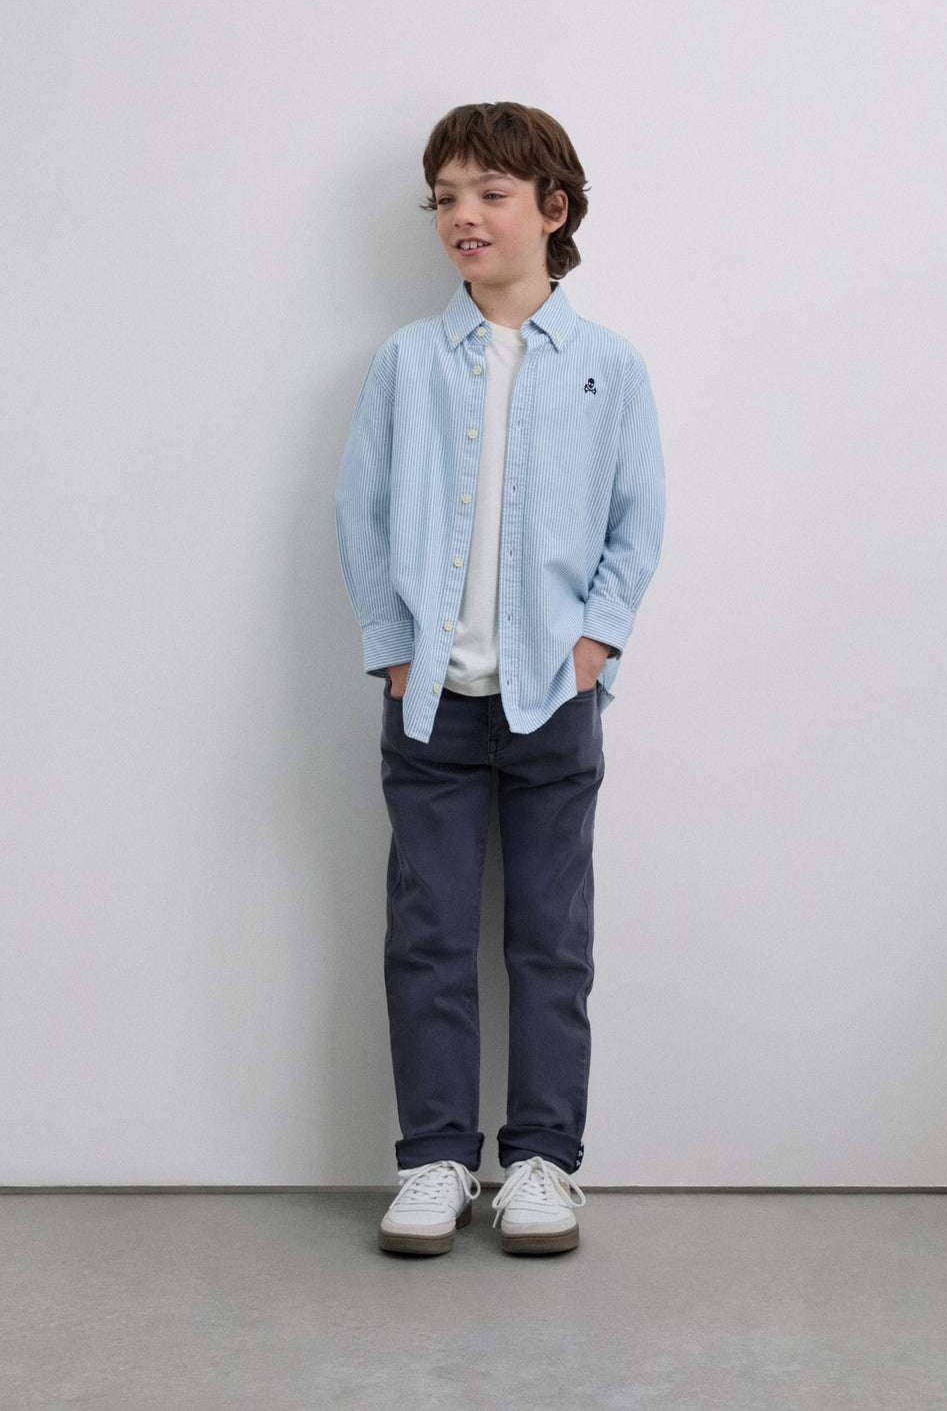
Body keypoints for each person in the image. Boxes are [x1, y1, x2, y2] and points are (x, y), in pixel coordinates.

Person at [335, 102, 665, 1256]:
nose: (462, 216)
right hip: (429, 703)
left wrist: (594, 646)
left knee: (549, 944)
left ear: (552, 209)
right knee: (427, 937)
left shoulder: (608, 367)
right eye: (445, 198)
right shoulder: (407, 362)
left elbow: (637, 520)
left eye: (489, 193)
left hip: (551, 706)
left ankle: (541, 1162)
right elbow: (363, 512)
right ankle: (433, 1158)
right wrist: (391, 646)